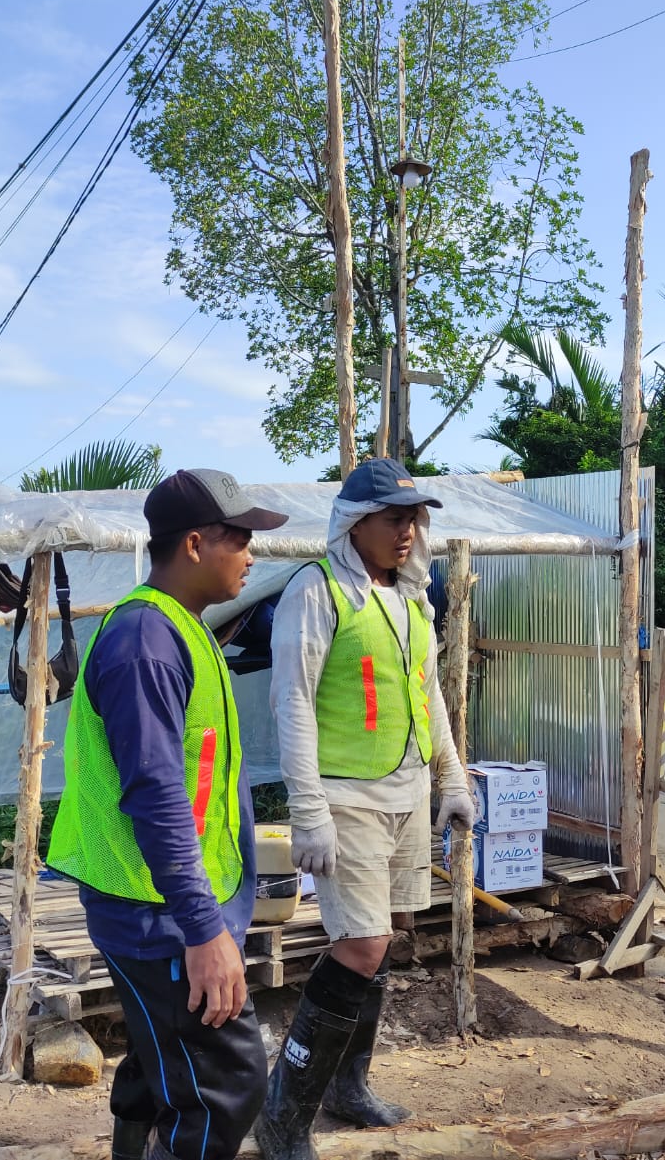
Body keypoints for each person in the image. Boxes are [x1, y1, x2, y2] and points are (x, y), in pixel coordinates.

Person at [45, 469, 289, 1160]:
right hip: (159, 911)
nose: (251, 554)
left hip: (168, 903)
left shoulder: (180, 628)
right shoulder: (145, 643)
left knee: (159, 1064)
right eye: (238, 538)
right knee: (227, 1082)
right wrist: (203, 928)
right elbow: (156, 794)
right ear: (192, 543)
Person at [256, 458, 476, 1160]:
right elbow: (289, 700)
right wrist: (308, 811)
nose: (408, 531)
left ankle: (348, 1086)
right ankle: (283, 1114)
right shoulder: (316, 592)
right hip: (344, 792)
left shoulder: (411, 597)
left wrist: (452, 778)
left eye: (414, 517)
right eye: (394, 518)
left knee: (389, 930)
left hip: (405, 790)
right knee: (361, 944)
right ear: (356, 522)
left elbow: (429, 693)